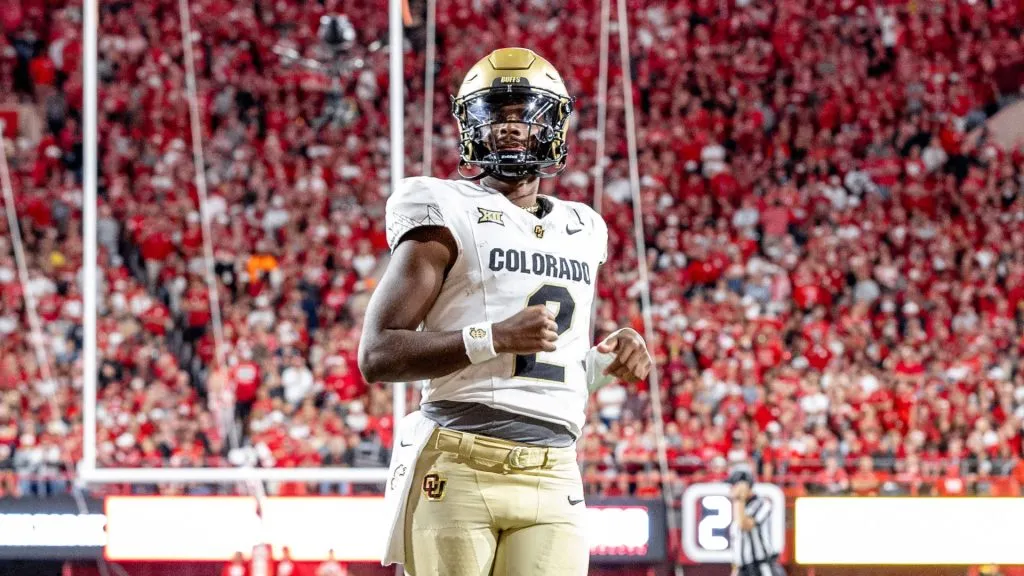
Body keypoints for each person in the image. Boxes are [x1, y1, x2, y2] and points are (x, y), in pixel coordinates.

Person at [360, 47, 652, 576]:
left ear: (555, 125)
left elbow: (543, 373)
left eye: (525, 113)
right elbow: (378, 353)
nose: (510, 127)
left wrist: (610, 359)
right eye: (496, 113)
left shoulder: (584, 227)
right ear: (472, 124)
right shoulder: (442, 205)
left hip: (555, 470)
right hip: (458, 459)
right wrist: (491, 337)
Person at [727, 469, 785, 576]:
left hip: (760, 567)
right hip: (743, 569)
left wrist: (740, 498)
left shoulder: (762, 503)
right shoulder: (738, 507)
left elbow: (744, 524)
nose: (730, 490)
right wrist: (736, 569)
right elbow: (738, 542)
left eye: (732, 486)